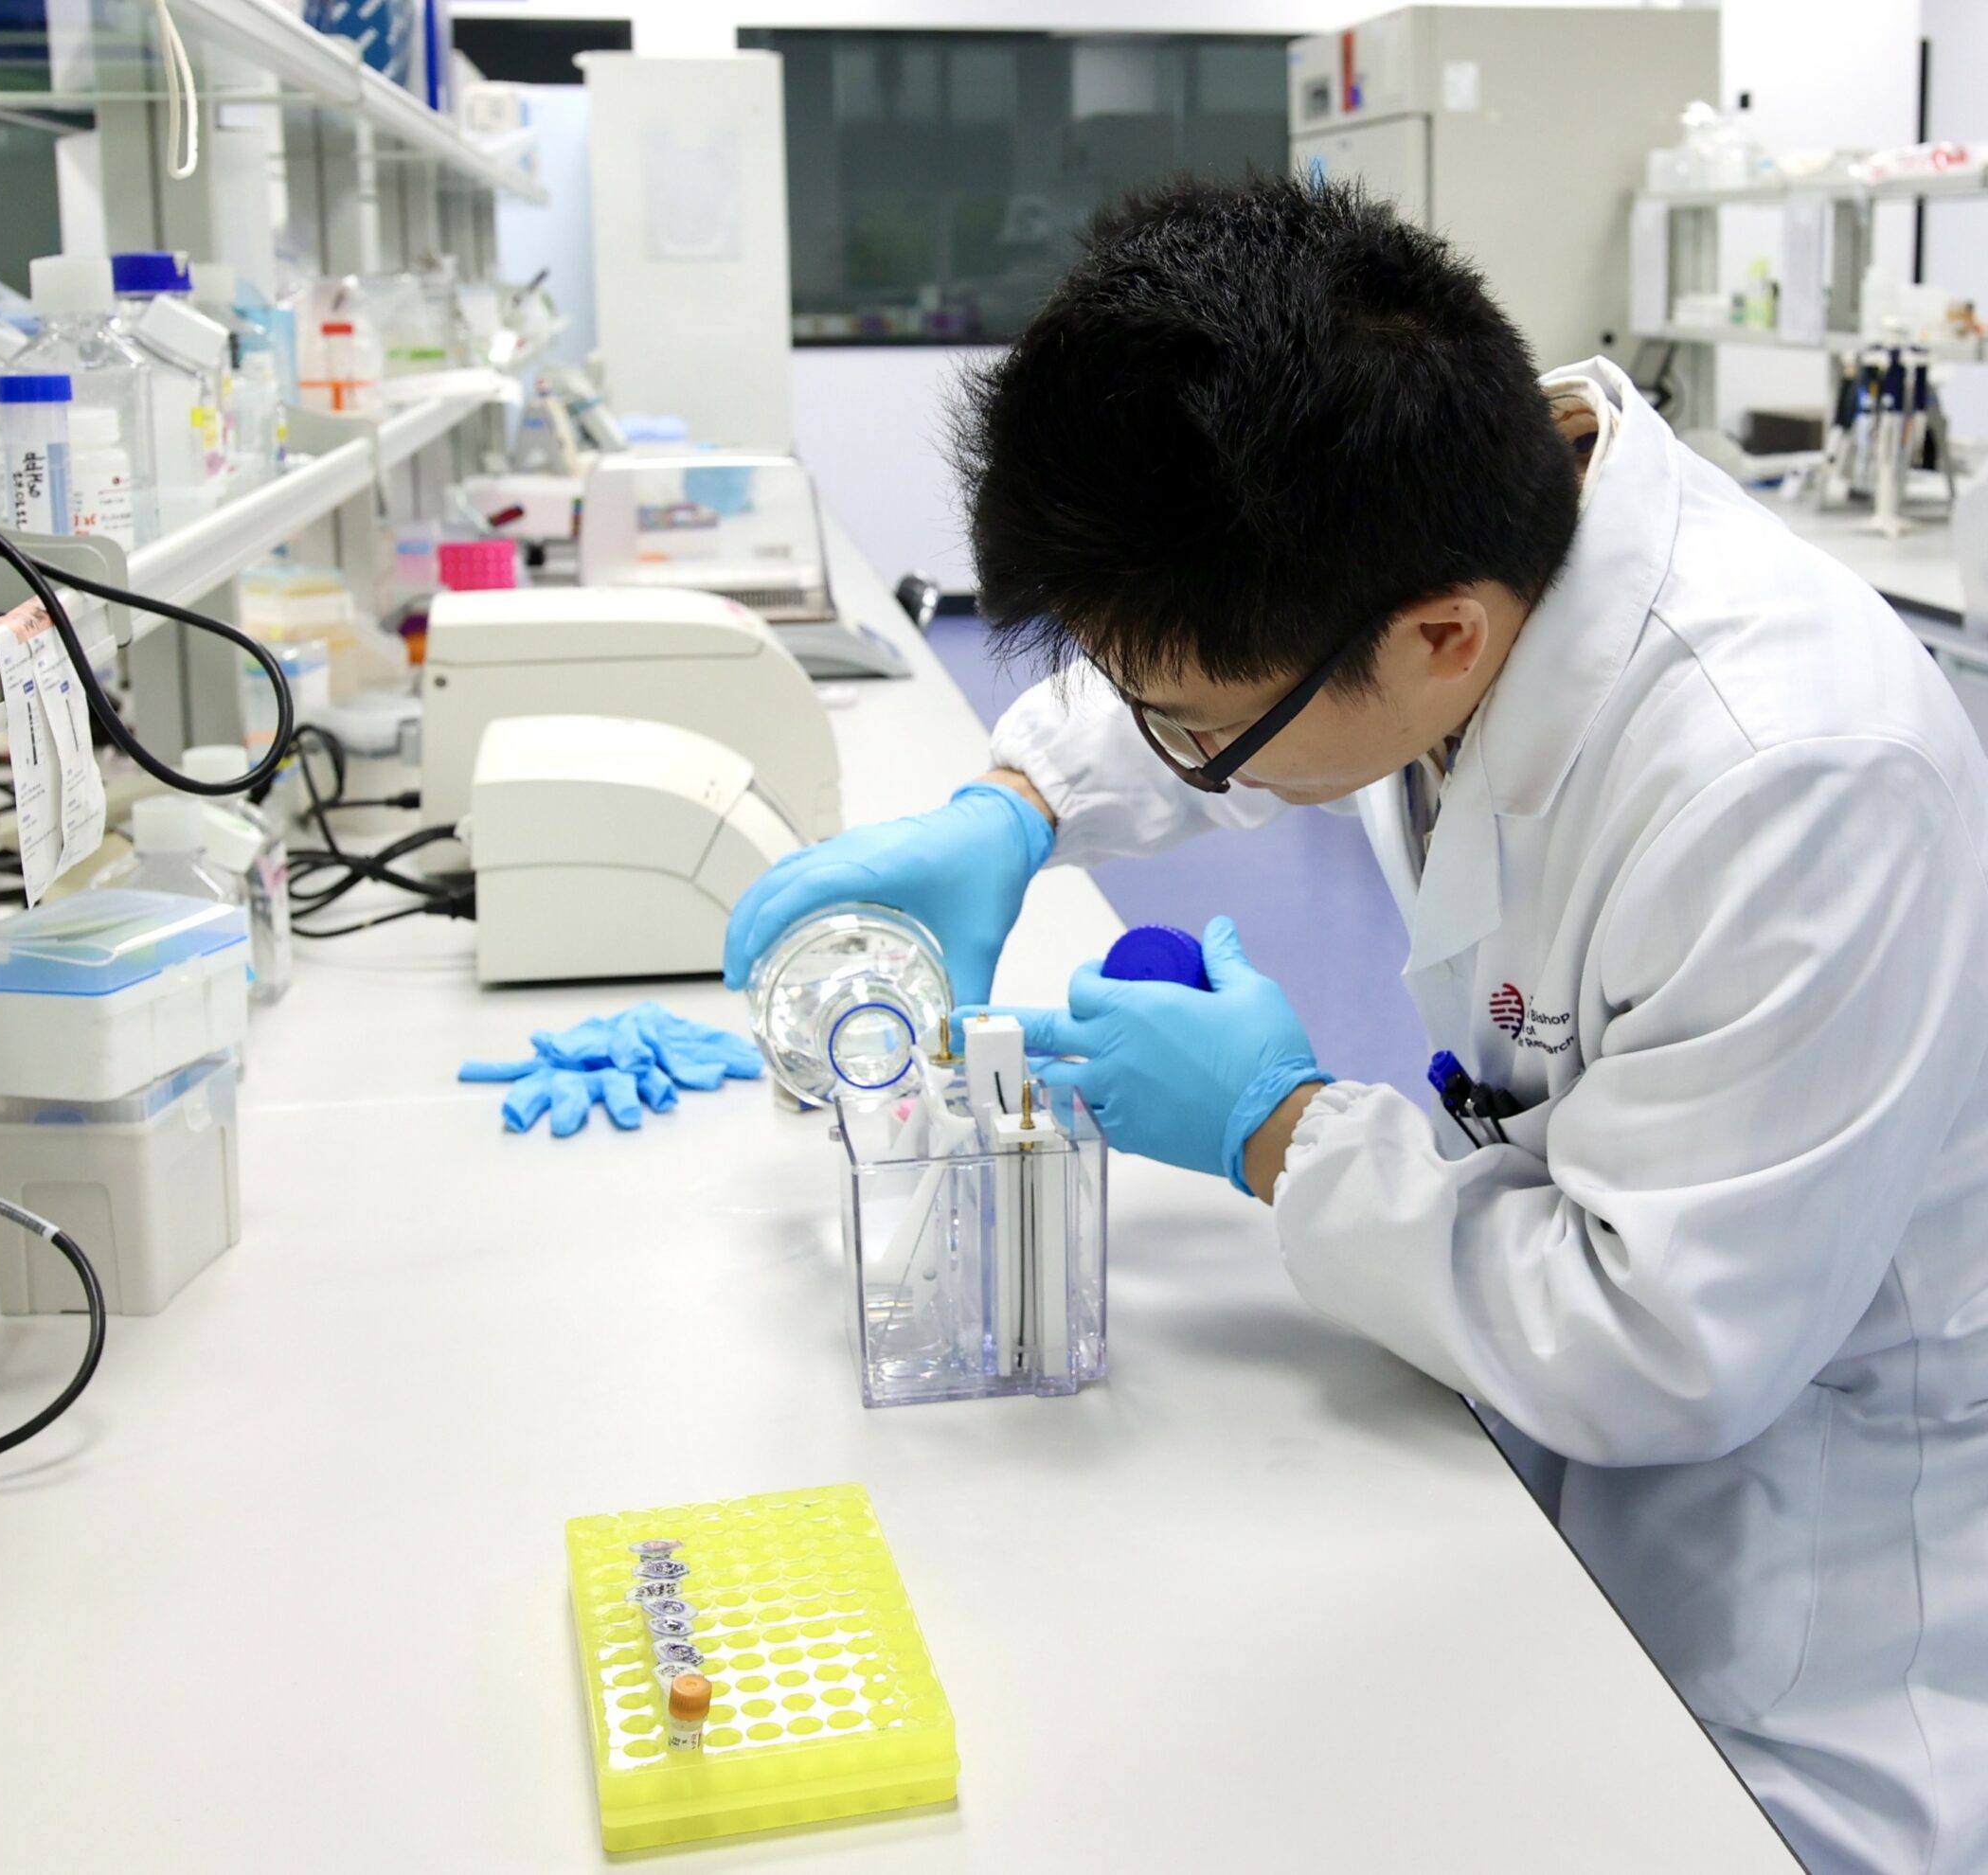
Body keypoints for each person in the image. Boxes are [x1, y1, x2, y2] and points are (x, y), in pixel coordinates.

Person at [723, 173, 1988, 1873]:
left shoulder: (1790, 778)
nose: (1169, 749)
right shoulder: (1432, 540)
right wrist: (1013, 807)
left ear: (1441, 638)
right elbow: (1230, 675)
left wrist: (1282, 1131)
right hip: (1557, 1480)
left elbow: (1661, 1341)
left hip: (1798, 1613)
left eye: (1187, 729)